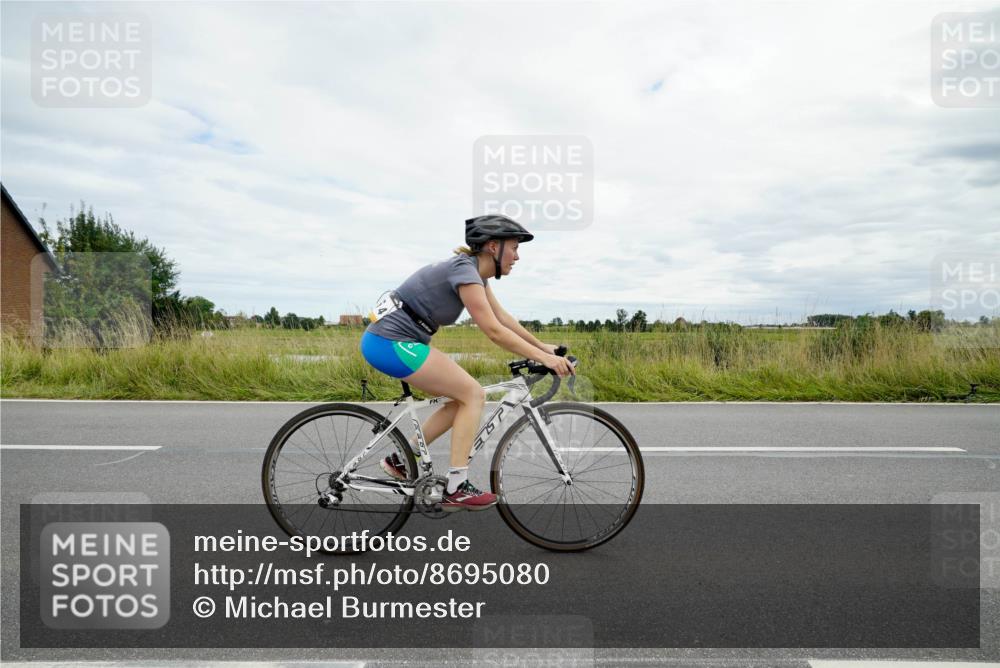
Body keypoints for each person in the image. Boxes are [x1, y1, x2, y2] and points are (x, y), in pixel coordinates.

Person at [359, 214, 575, 512]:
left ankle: (401, 459)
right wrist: (545, 359)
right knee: (473, 394)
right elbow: (493, 331)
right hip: (389, 343)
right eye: (513, 247)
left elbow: (503, 318)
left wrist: (542, 347)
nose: (517, 256)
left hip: (398, 342)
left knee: (461, 399)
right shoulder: (464, 271)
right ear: (492, 247)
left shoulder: (475, 275)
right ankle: (456, 487)